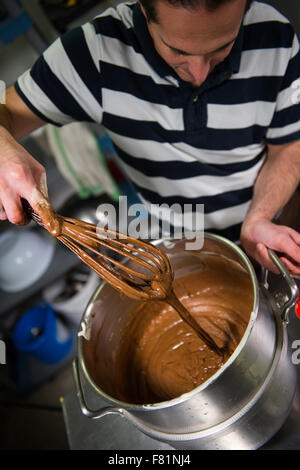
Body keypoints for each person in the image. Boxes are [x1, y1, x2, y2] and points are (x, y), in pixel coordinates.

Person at [0, 0, 299, 275]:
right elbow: (7, 110)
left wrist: (260, 217)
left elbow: (289, 146)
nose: (199, 72)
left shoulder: (275, 38)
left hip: (269, 226)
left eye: (221, 48)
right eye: (179, 51)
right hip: (177, 241)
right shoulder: (95, 55)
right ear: (145, 9)